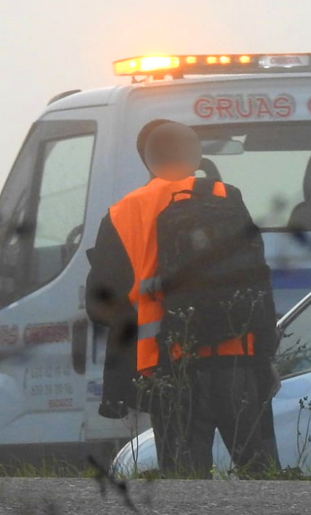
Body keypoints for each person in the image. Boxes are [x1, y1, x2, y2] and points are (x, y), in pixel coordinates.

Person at [86, 119, 280, 477]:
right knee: (263, 477)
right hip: (238, 358)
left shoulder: (122, 214)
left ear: (148, 159)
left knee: (186, 486)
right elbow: (257, 278)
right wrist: (265, 355)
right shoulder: (227, 196)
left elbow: (100, 306)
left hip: (169, 368)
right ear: (195, 155)